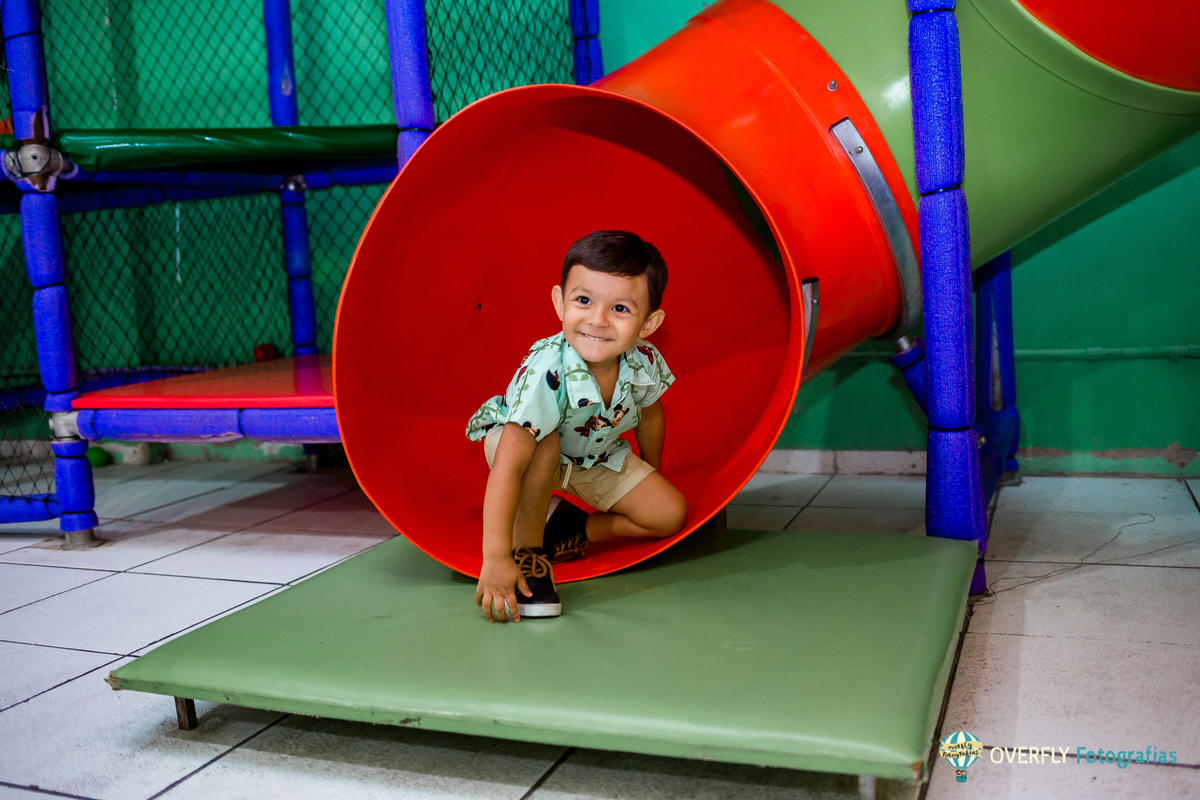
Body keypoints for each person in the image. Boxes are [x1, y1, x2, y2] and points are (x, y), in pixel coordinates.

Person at [465, 230, 687, 622]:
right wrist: (495, 557)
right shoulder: (545, 370)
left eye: (620, 308)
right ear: (559, 303)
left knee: (669, 514)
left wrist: (651, 471)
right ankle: (529, 552)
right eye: (583, 301)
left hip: (594, 456)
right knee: (545, 444)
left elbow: (651, 415)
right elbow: (509, 465)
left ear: (649, 324)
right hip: (519, 448)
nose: (597, 320)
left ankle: (570, 528)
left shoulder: (644, 363)